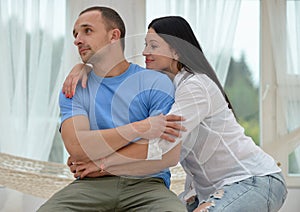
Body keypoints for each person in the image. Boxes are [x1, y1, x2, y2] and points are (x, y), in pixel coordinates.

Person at [64, 16, 288, 212]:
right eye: (145, 45)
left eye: (153, 45)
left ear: (176, 50)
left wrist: (100, 165)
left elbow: (162, 144)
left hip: (252, 181)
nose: (144, 52)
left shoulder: (195, 87)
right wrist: (85, 68)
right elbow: (117, 69)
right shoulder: (169, 87)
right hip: (209, 191)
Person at [38, 7, 188, 212]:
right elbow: (77, 148)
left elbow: (166, 153)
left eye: (87, 31)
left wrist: (98, 162)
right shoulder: (73, 87)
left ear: (114, 36)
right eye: (75, 34)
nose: (77, 40)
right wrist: (140, 128)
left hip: (147, 186)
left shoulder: (156, 82)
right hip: (90, 187)